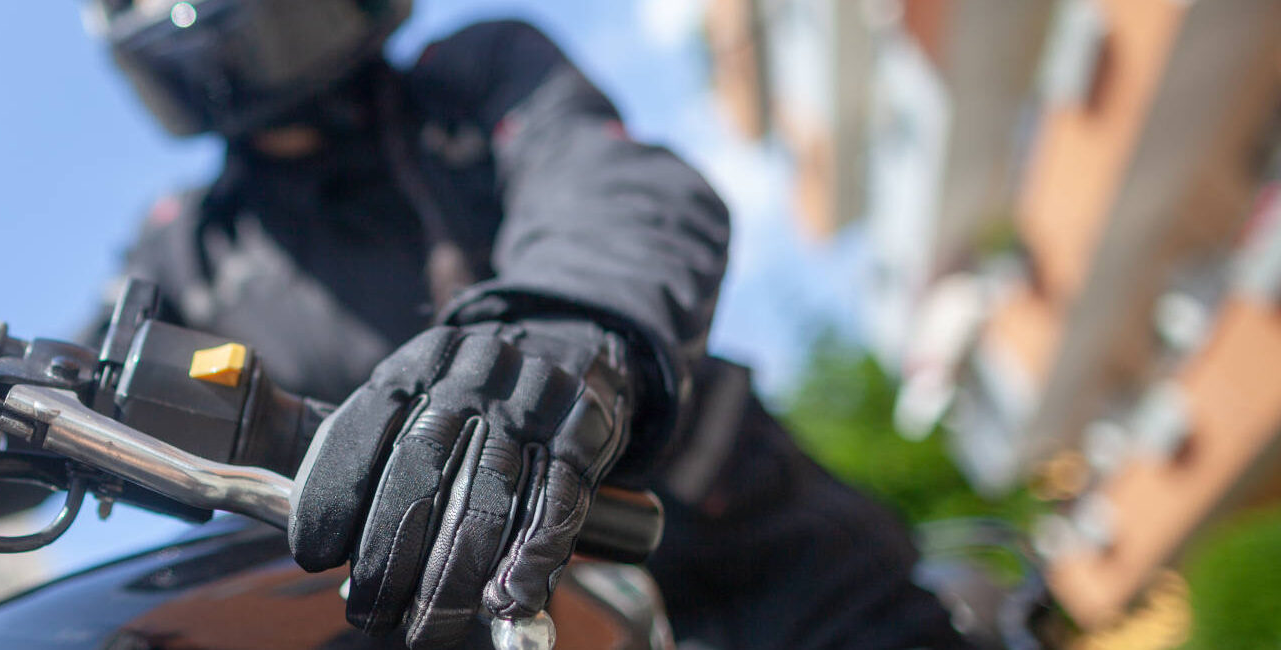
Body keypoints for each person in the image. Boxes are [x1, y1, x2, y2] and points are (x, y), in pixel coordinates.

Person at [80, 0, 967, 648]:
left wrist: (555, 335)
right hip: (496, 616)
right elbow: (78, 370)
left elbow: (611, 185)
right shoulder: (186, 252)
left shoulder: (473, 76)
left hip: (759, 556)